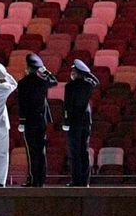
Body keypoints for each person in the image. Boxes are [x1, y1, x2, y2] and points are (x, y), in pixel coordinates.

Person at [15, 53, 57, 187]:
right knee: (41, 150)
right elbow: (54, 81)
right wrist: (46, 71)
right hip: (41, 120)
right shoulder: (43, 81)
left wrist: (21, 121)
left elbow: (22, 104)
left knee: (32, 151)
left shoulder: (23, 83)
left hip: (29, 121)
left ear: (28, 68)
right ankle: (41, 178)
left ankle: (33, 179)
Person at [64, 59, 99, 188]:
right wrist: (88, 73)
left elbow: (67, 105)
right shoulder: (88, 84)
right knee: (84, 151)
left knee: (74, 152)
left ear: (76, 72)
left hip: (74, 121)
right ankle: (85, 181)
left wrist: (66, 121)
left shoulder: (70, 86)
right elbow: (97, 81)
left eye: (73, 71)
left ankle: (76, 180)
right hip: (85, 120)